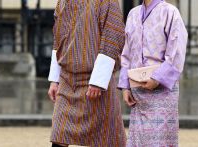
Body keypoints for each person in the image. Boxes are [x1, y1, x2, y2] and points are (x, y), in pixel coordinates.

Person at [48, 0, 126, 146]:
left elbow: (112, 37)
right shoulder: (62, 1)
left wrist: (98, 81)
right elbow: (57, 39)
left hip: (96, 81)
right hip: (67, 79)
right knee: (59, 133)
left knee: (106, 138)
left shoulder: (108, 1)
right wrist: (55, 79)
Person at [118, 0, 188, 146]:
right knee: (138, 139)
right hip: (138, 90)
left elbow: (176, 52)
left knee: (159, 139)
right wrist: (125, 86)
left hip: (162, 91)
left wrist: (157, 78)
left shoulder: (170, 12)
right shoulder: (133, 14)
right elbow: (126, 53)